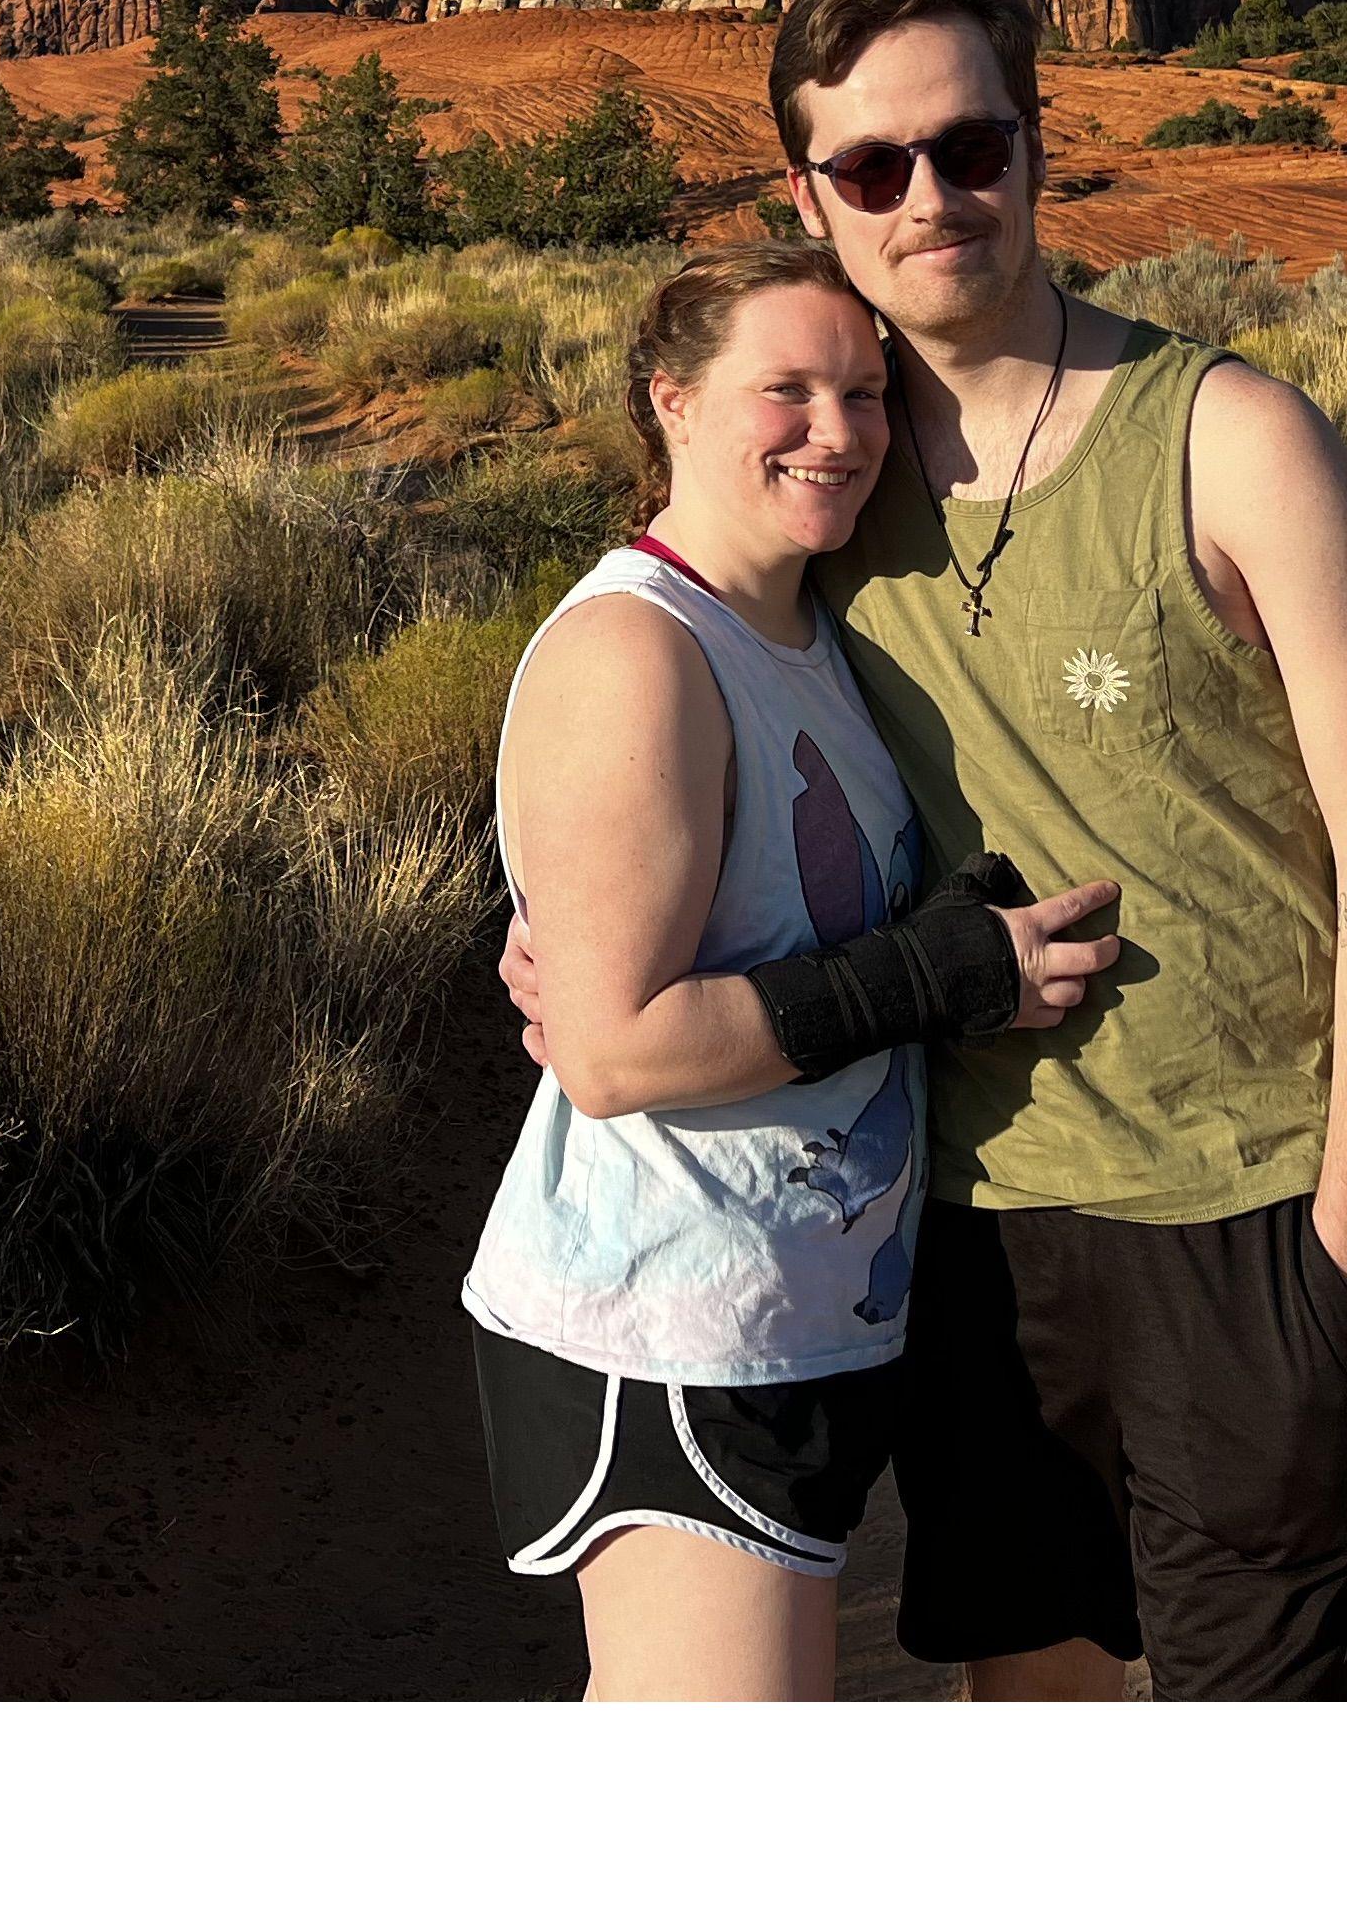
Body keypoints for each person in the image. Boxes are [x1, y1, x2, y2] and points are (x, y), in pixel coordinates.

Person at [508, 0, 1347, 1700]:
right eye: (874, 164)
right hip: (965, 1227)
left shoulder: (1233, 438)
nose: (929, 194)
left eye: (971, 146)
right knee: (1030, 1702)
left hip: (1245, 1212)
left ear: (1036, 142)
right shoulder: (827, 482)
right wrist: (585, 908)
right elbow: (674, 702)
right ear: (815, 193)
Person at [462, 235, 1123, 1701]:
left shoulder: (809, 633)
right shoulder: (638, 650)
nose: (840, 432)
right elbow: (619, 1049)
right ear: (676, 403)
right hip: (675, 1323)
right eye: (788, 391)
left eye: (868, 392)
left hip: (803, 1302)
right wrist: (938, 974)